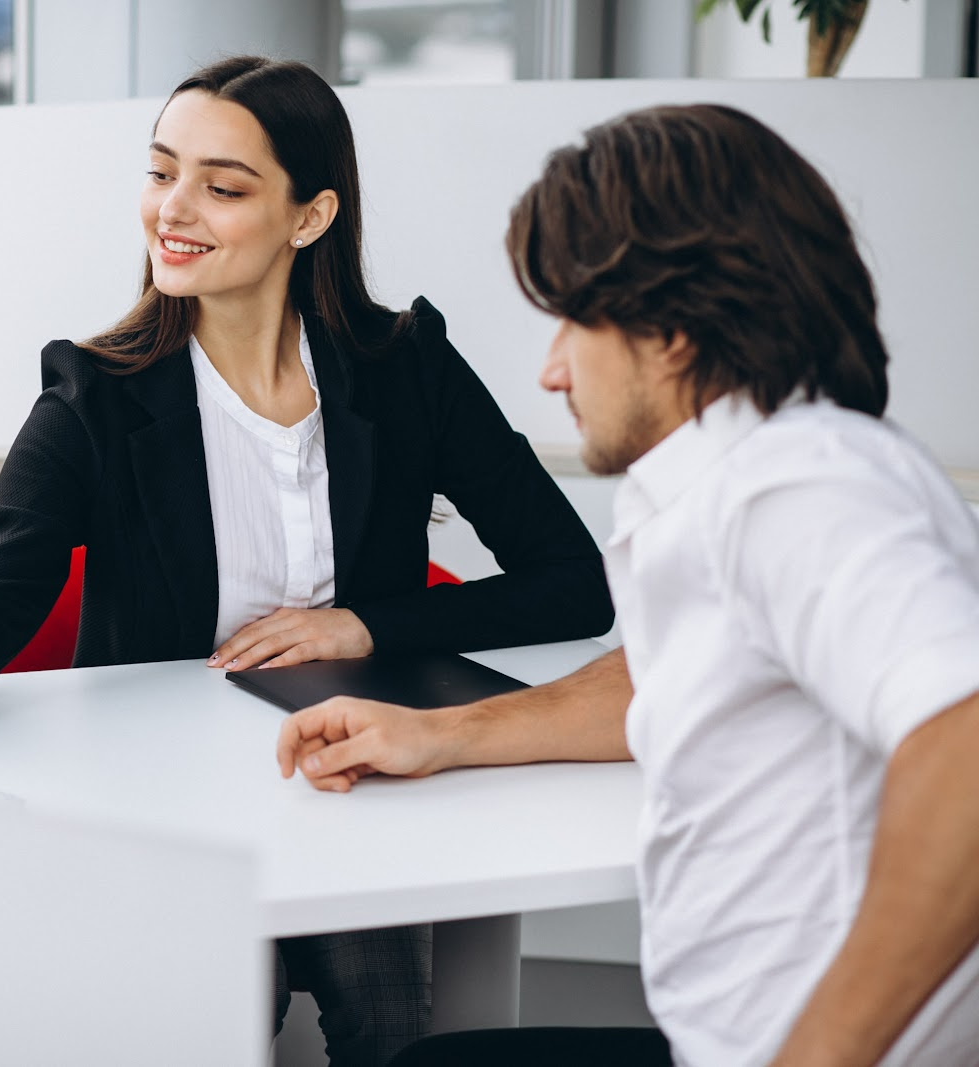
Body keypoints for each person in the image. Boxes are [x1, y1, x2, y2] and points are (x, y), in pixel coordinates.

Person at [0, 56, 613, 1066]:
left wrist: (368, 625)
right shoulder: (93, 400)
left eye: (222, 188)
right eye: (160, 173)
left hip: (347, 787)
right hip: (169, 816)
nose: (172, 211)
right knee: (202, 1025)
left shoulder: (405, 366)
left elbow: (571, 582)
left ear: (308, 217)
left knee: (393, 1029)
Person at [277, 103, 979, 1067]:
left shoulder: (800, 490)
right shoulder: (739, 480)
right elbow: (668, 672)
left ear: (675, 328)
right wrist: (438, 733)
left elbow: (967, 748)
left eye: (574, 320)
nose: (553, 369)